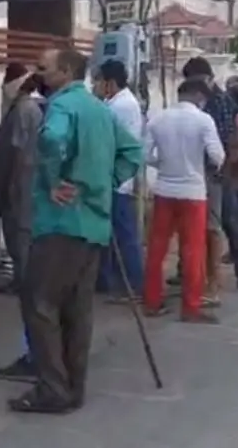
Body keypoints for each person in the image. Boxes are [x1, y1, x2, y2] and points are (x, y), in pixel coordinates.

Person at [8, 49, 142, 414]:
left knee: (41, 304)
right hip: (94, 223)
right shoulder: (100, 108)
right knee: (77, 311)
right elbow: (133, 152)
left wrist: (53, 181)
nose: (38, 74)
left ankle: (52, 387)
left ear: (65, 72)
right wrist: (103, 182)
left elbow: (52, 140)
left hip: (60, 222)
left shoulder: (62, 105)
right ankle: (71, 388)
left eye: (43, 68)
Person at [143, 79, 225, 324]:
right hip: (193, 192)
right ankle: (190, 307)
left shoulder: (158, 119)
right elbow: (217, 155)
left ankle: (152, 302)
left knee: (157, 250)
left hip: (165, 189)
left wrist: (165, 165)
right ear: (199, 96)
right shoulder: (203, 120)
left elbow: (145, 154)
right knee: (193, 251)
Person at [0, 70, 46, 381]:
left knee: (30, 286)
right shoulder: (25, 111)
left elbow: (21, 163)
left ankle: (38, 356)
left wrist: (9, 201)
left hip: (22, 208)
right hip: (21, 206)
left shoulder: (24, 112)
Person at [175, 57, 235, 305]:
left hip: (209, 175)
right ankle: (190, 276)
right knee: (189, 228)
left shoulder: (218, 102)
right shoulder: (195, 103)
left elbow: (225, 144)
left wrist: (218, 170)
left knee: (211, 228)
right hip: (189, 174)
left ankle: (212, 283)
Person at [0, 63, 43, 295]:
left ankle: (23, 281)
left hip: (20, 180)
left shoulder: (22, 110)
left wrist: (13, 185)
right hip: (23, 178)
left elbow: (19, 150)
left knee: (19, 233)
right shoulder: (25, 107)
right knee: (21, 232)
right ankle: (23, 278)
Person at [91, 59, 144, 300]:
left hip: (115, 181)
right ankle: (110, 280)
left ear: (109, 83)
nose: (95, 86)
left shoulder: (117, 107)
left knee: (123, 235)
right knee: (112, 234)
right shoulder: (120, 102)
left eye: (98, 81)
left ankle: (132, 284)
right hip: (116, 178)